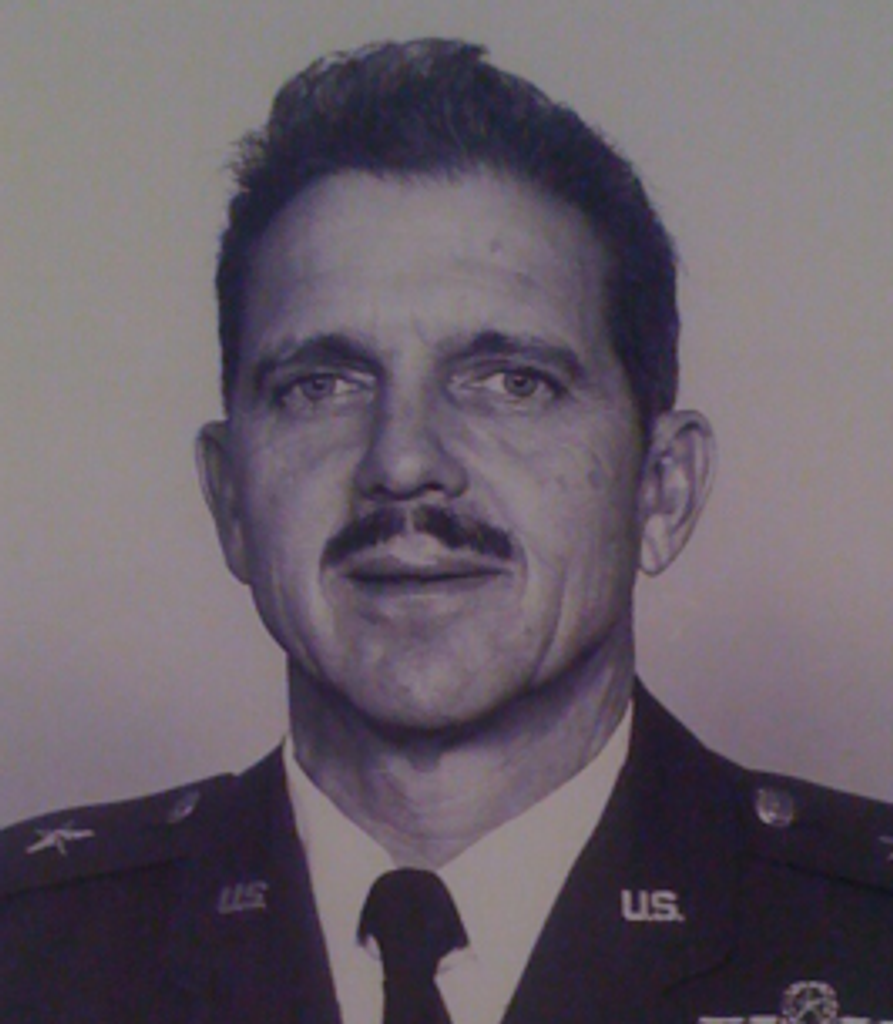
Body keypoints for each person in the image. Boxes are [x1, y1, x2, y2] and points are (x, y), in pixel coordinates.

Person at [2, 38, 892, 1024]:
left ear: (661, 489)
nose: (402, 460)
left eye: (512, 382)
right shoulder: (30, 956)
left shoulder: (865, 941)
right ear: (229, 501)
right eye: (321, 385)